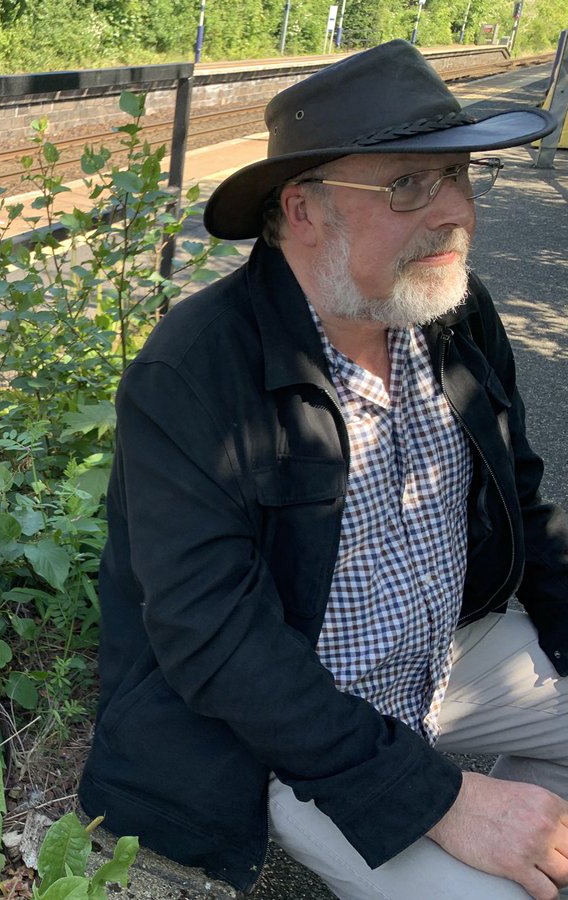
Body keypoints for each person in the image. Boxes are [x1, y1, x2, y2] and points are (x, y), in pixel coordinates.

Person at [78, 39, 568, 900]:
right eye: (407, 185)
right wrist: (439, 798)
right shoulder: (195, 373)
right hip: (289, 732)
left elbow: (521, 501)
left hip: (448, 661)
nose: (456, 212)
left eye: (458, 175)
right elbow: (215, 638)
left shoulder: (452, 313)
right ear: (302, 212)